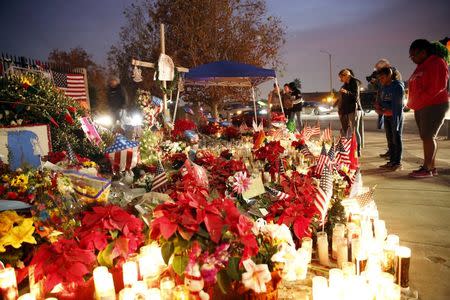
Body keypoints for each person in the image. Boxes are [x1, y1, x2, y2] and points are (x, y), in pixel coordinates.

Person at [407, 39, 449, 178]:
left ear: (423, 52)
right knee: (426, 137)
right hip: (422, 106)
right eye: (410, 56)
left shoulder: (436, 62)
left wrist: (421, 100)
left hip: (433, 104)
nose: (412, 58)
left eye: (414, 55)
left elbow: (437, 86)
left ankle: (428, 168)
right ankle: (431, 167)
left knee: (428, 136)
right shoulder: (422, 65)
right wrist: (413, 103)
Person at [371, 59, 403, 159]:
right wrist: (379, 104)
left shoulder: (396, 83)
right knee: (390, 137)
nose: (379, 78)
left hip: (393, 114)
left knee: (396, 138)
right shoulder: (384, 83)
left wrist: (383, 110)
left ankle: (396, 160)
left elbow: (396, 104)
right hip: (386, 112)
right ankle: (392, 156)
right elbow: (381, 91)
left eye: (379, 70)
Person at [377, 67, 405, 171]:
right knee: (390, 140)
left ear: (389, 75)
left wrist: (384, 111)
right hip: (387, 117)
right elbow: (383, 102)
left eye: (383, 77)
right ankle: (392, 161)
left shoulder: (397, 86)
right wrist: (379, 107)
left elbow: (398, 106)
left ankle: (397, 163)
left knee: (396, 139)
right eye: (379, 78)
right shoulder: (384, 87)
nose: (381, 80)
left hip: (395, 118)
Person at [336, 69, 363, 154]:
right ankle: (347, 148)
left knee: (354, 130)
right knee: (346, 130)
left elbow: (356, 96)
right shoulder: (345, 85)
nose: (341, 80)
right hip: (346, 110)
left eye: (341, 77)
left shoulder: (355, 82)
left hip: (354, 109)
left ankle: (357, 149)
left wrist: (346, 92)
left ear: (346, 75)